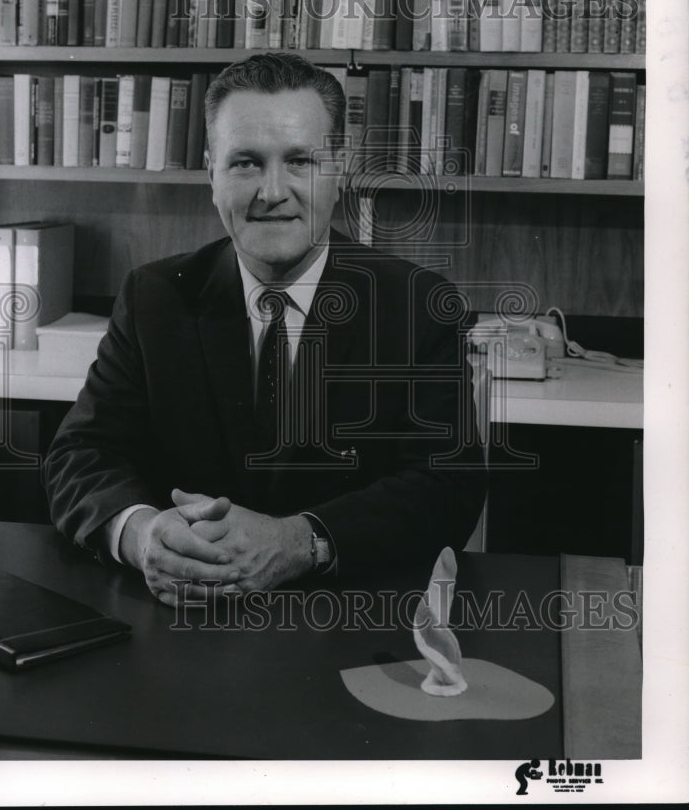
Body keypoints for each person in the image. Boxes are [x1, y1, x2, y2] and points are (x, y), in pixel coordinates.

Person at [43, 53, 486, 606]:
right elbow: (80, 455)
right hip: (180, 624)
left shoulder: (419, 305)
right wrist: (140, 535)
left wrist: (297, 542)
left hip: (348, 626)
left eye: (300, 161)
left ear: (339, 171)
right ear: (212, 176)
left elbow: (449, 487)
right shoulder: (155, 296)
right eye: (246, 163)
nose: (272, 191)